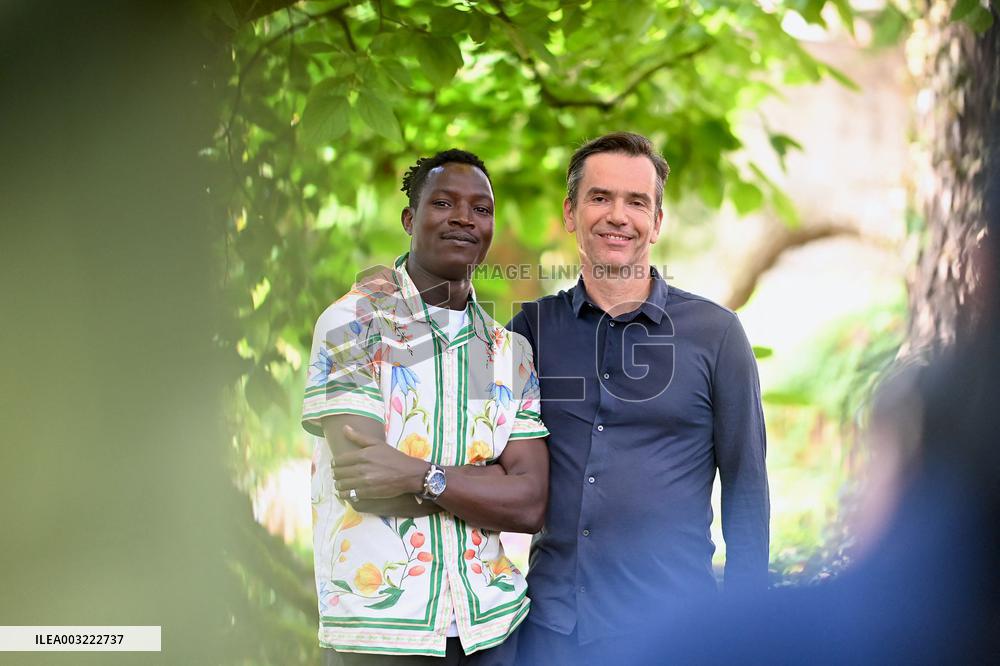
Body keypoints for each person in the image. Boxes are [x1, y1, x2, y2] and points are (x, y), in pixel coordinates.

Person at [505, 132, 770, 663]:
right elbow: (481, 457)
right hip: (553, 631)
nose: (617, 216)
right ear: (570, 212)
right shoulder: (530, 331)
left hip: (673, 631)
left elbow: (746, 484)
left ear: (657, 221)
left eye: (636, 202)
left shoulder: (715, 334)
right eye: (600, 198)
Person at [301, 149, 549, 665]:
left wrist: (421, 475)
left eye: (481, 209)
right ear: (410, 220)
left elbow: (529, 504)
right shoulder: (354, 326)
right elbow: (365, 485)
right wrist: (486, 480)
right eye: (444, 203)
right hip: (380, 633)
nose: (464, 218)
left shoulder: (506, 353)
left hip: (493, 629)